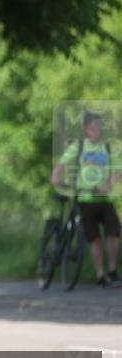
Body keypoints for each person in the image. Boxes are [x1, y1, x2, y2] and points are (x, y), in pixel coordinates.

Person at [51, 112, 121, 288]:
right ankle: (100, 276)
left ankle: (112, 272)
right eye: (94, 127)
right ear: (86, 129)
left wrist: (109, 183)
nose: (98, 130)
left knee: (113, 233)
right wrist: (56, 177)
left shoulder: (109, 148)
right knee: (94, 239)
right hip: (85, 197)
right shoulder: (79, 146)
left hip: (104, 198)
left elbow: (117, 170)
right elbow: (62, 163)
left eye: (100, 127)